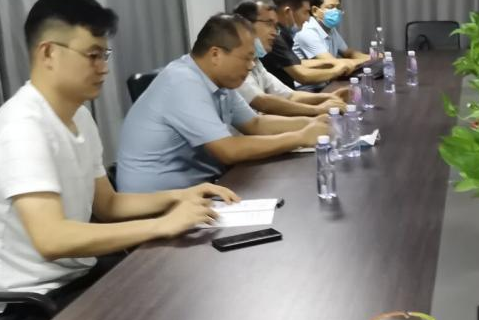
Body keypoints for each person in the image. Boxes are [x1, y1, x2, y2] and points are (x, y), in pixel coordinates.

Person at [0, 0, 236, 320]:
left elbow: (108, 205)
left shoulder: (77, 115)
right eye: (92, 55)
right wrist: (160, 224)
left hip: (71, 280)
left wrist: (179, 196)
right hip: (20, 307)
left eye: (104, 54)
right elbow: (52, 239)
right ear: (48, 53)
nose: (103, 67)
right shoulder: (22, 128)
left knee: (182, 297)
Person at [116, 13, 327, 193]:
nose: (251, 66)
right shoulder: (183, 81)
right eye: (246, 58)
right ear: (216, 54)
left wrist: (315, 123)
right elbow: (228, 150)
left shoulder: (219, 81)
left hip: (200, 189)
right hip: (159, 204)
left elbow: (256, 124)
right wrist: (300, 137)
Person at [231, 0, 348, 116]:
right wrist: (319, 109)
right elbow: (263, 102)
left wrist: (329, 97)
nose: (274, 33)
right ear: (245, 25)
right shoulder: (235, 64)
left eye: (275, 27)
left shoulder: (256, 62)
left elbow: (290, 95)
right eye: (269, 24)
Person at [265, 0, 357, 89]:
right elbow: (302, 76)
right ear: (288, 12)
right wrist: (337, 69)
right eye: (305, 12)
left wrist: (335, 62)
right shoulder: (274, 36)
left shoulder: (284, 33)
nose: (308, 19)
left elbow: (299, 63)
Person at [292, 0, 371, 64]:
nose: (336, 11)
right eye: (330, 7)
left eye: (338, 7)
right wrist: (369, 60)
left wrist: (373, 57)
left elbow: (348, 52)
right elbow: (332, 63)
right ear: (315, 11)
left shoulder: (329, 28)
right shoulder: (307, 32)